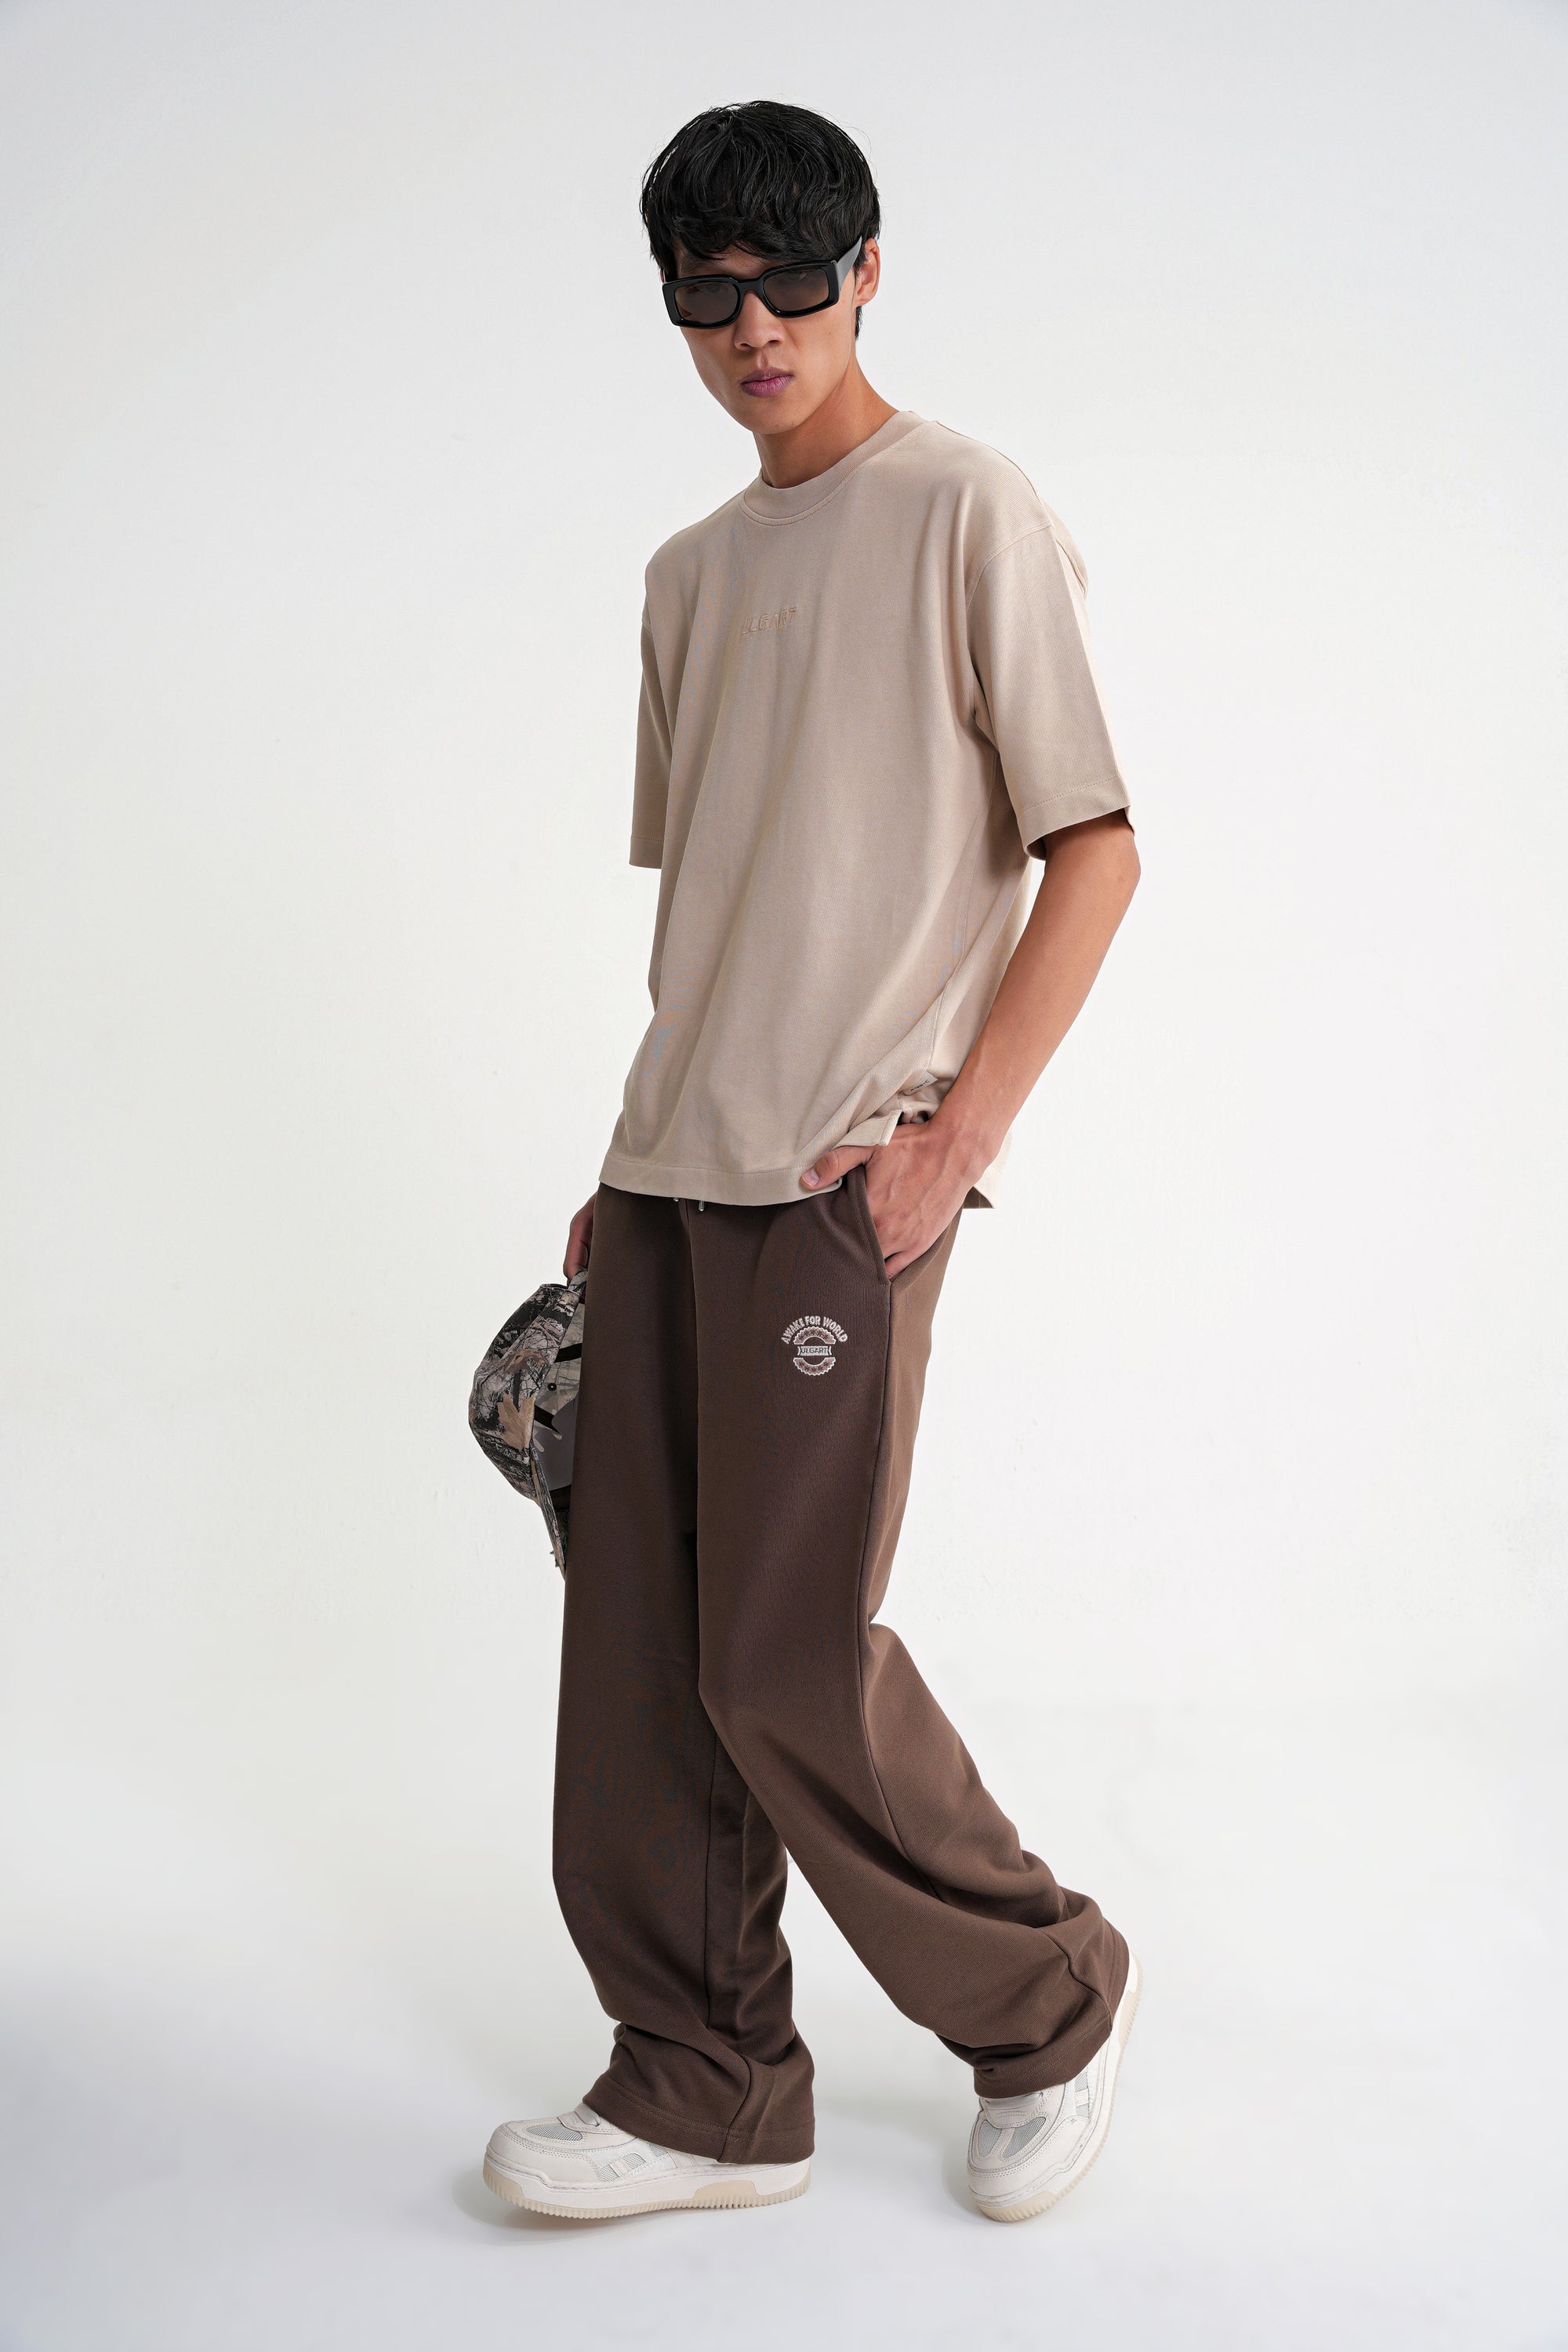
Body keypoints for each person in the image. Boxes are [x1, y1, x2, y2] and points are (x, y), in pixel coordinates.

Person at [483, 99, 1142, 2225]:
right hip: (671, 1171)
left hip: (848, 1182)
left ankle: (1047, 2005)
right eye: (708, 291)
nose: (751, 324)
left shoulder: (966, 507)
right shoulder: (688, 578)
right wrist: (623, 1164)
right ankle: (705, 2082)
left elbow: (1096, 848)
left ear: (866, 271)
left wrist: (961, 1138)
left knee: (781, 1655)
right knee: (638, 1653)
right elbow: (723, 912)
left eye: (788, 278)